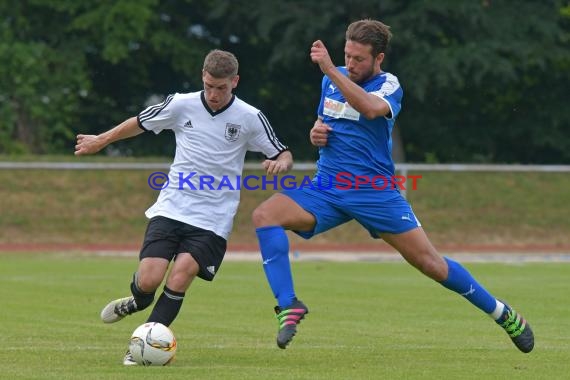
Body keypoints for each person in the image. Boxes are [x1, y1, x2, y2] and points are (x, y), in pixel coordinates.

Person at [252, 19, 534, 352]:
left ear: (379, 58)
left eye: (359, 59)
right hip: (327, 187)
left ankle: (503, 314)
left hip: (375, 194)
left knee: (431, 264)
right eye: (347, 56)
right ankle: (289, 305)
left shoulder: (388, 85)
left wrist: (330, 69)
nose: (351, 64)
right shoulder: (334, 80)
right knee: (264, 215)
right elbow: (323, 120)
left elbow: (370, 109)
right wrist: (316, 132)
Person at [75, 49, 292, 365]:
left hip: (214, 218)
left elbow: (282, 151)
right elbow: (139, 122)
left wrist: (280, 163)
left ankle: (144, 346)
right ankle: (137, 302)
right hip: (172, 207)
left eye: (222, 88)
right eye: (209, 86)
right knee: (149, 280)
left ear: (235, 82)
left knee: (180, 276)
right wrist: (101, 140)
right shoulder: (181, 104)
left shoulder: (249, 117)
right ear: (202, 78)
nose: (214, 95)